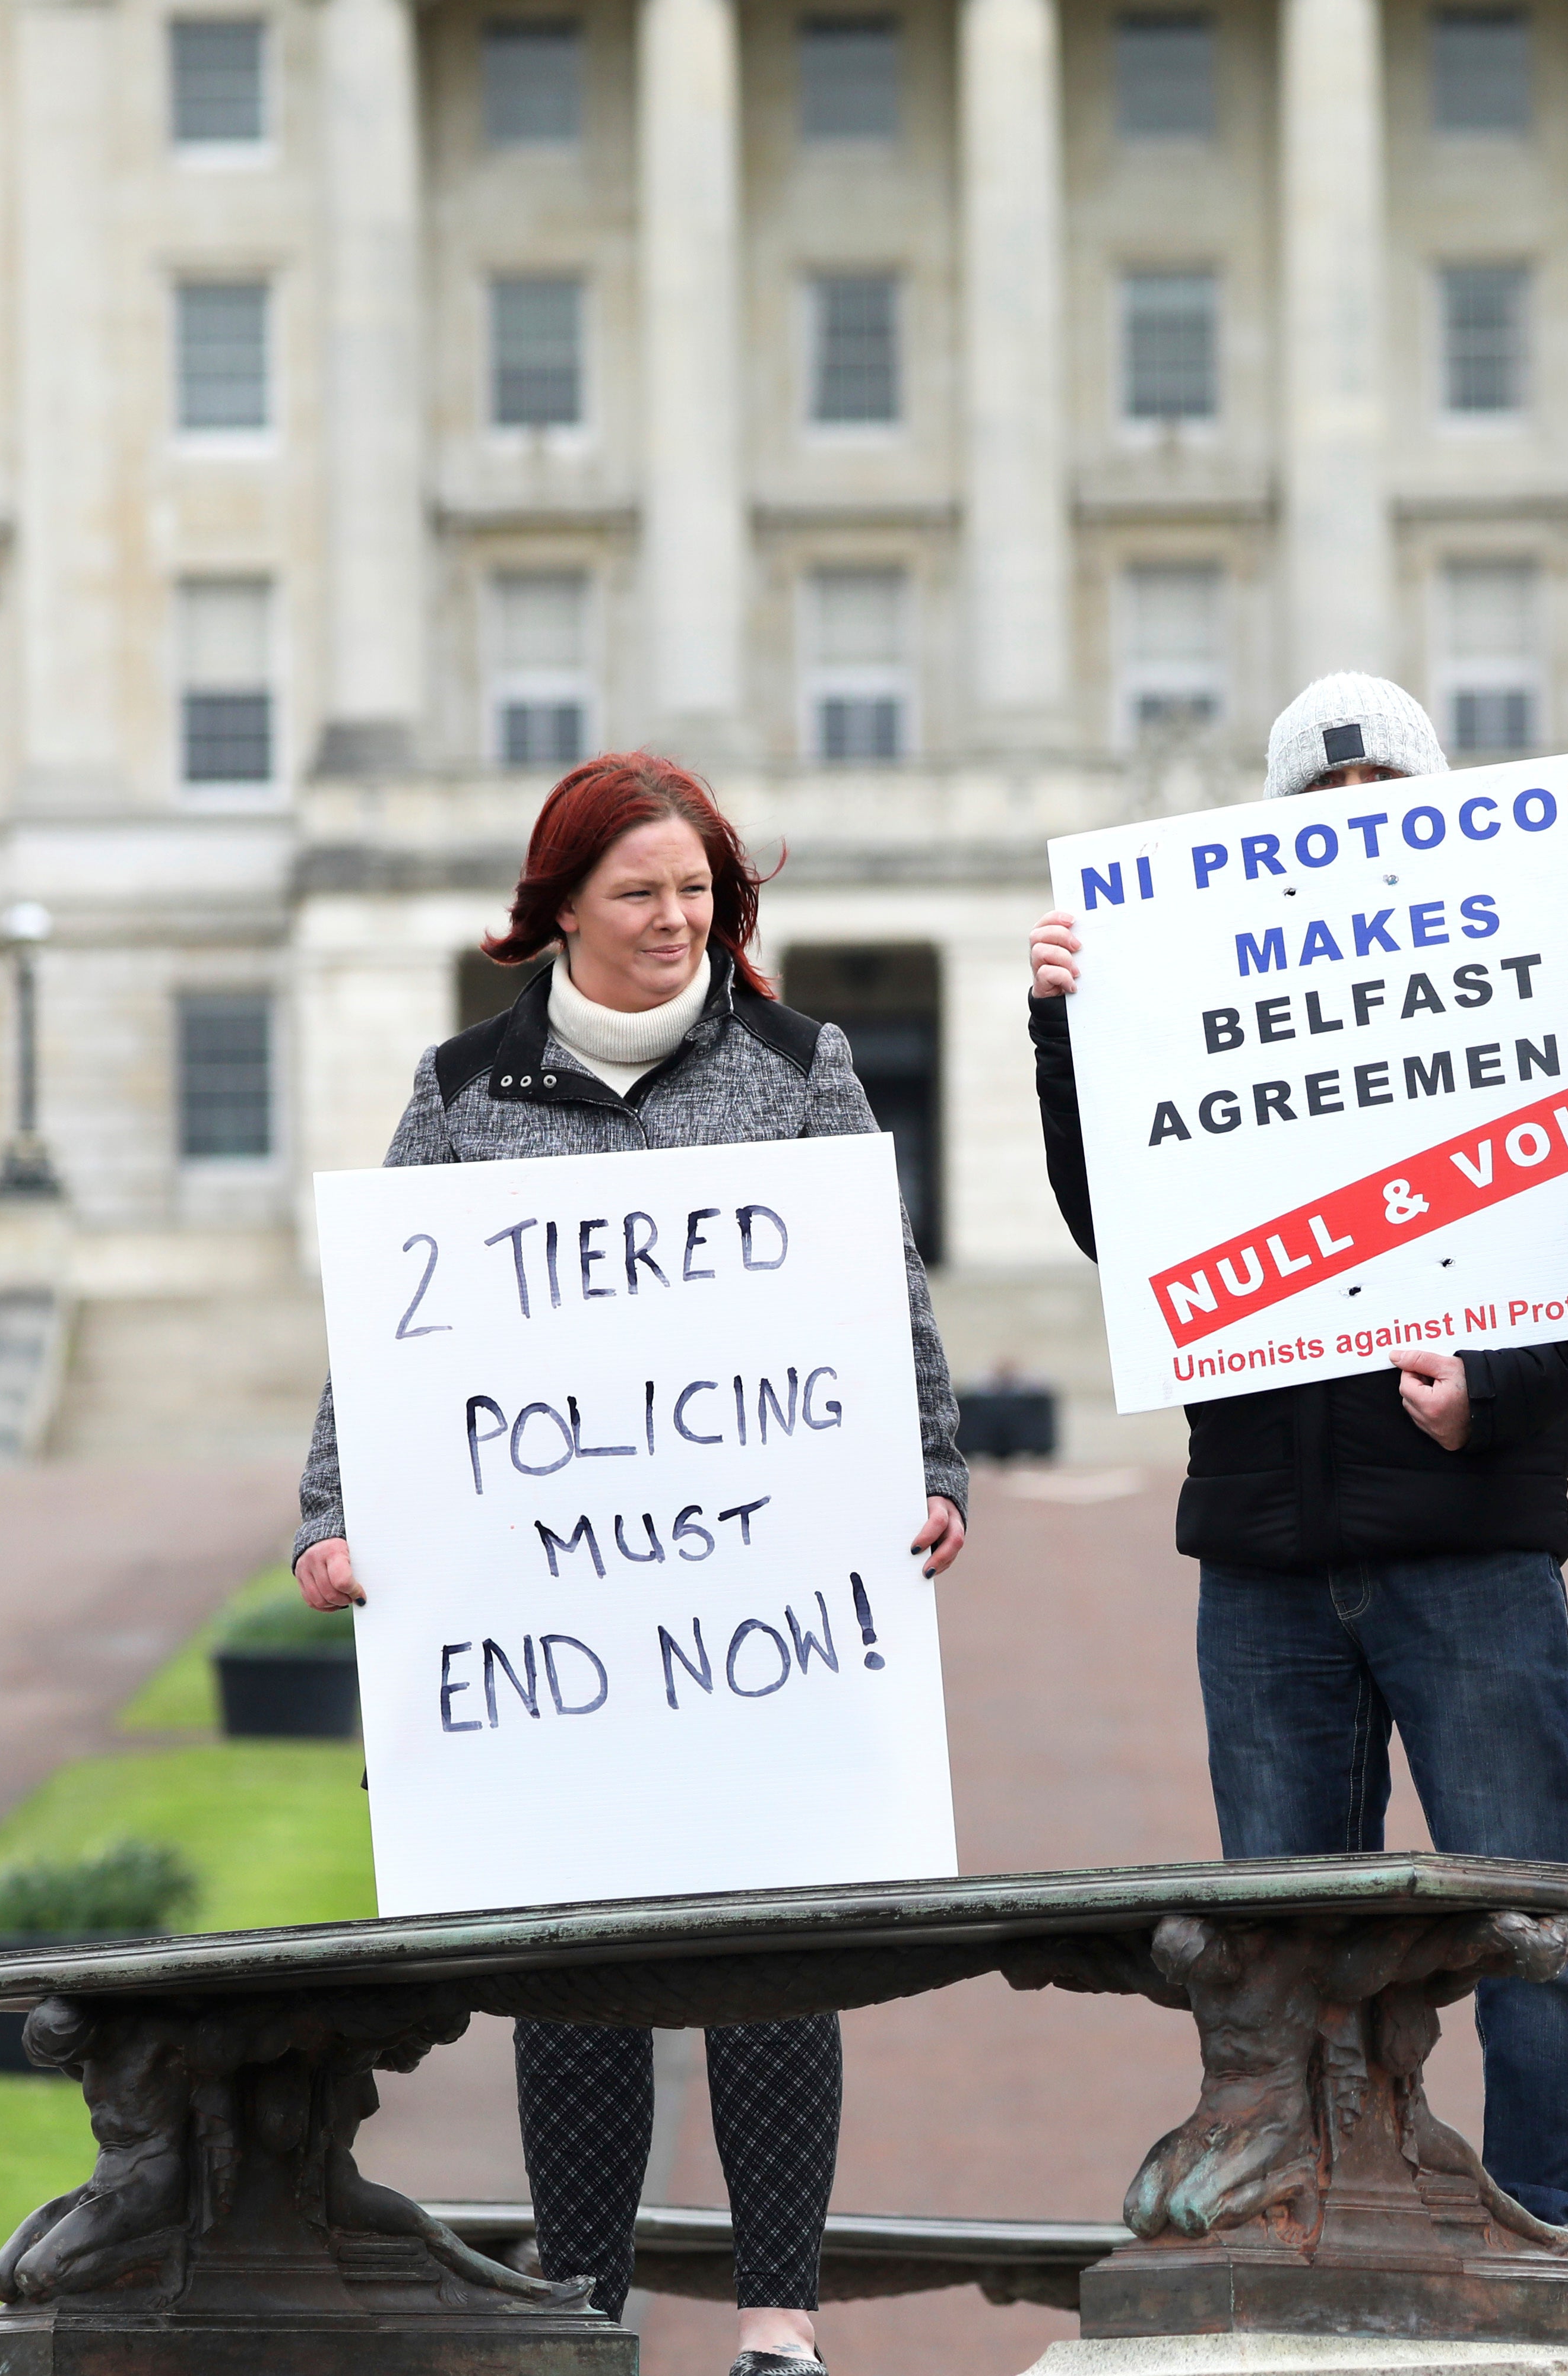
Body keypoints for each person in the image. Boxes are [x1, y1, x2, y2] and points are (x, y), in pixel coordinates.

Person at [290, 750, 971, 2376]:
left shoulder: (802, 1062)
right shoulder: (461, 1092)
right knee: (577, 1968)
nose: (678, 921)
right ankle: (586, 2314)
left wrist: (931, 1465)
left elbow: (885, 1294)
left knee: (771, 1951)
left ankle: (778, 2326)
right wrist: (331, 1505)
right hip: (556, 1627)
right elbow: (380, 1339)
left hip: (760, 1605)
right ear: (561, 911)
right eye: (642, 893)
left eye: (701, 892)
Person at [1023, 672, 1568, 2260]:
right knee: (1277, 1934)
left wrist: (1496, 1392)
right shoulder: (1197, 971)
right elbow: (1124, 1228)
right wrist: (1064, 1030)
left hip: (1468, 1528)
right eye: (1328, 791)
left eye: (1384, 787)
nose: (1356, 812)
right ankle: (1308, 2208)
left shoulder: (1534, 967)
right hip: (1265, 1540)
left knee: (1533, 1906)